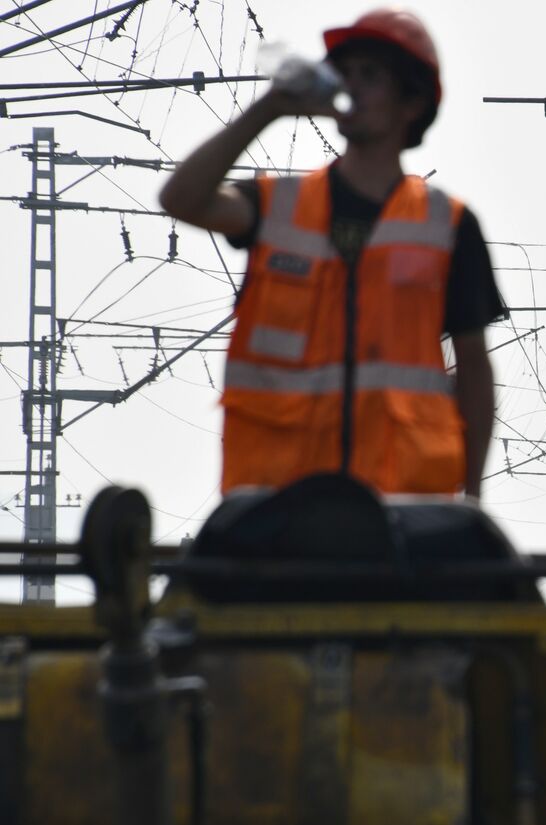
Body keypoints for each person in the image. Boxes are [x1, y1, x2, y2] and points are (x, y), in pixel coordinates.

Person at [159, 8, 505, 499]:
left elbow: (474, 368)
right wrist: (270, 108)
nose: (352, 86)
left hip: (400, 506)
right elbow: (180, 199)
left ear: (412, 103)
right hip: (276, 503)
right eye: (346, 73)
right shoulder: (276, 206)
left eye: (372, 75)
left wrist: (470, 501)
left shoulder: (447, 226)